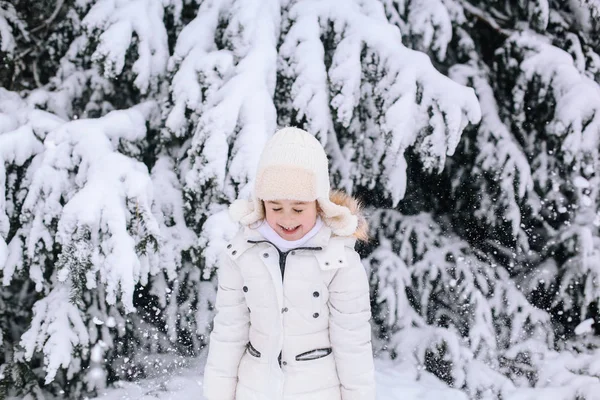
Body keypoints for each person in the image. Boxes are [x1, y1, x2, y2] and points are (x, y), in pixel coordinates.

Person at [203, 127, 376, 400]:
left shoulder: (340, 259)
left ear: (319, 204)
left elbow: (353, 343)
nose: (286, 219)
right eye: (275, 207)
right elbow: (228, 333)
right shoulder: (241, 253)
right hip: (255, 390)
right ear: (261, 203)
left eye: (298, 208)